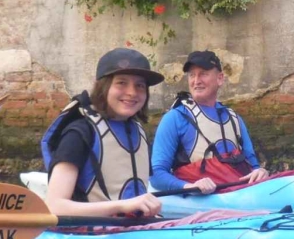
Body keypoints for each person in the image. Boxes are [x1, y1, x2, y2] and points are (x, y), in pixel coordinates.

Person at [39, 48, 165, 219]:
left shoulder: (138, 130)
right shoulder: (80, 133)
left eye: (139, 85)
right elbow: (55, 206)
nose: (132, 92)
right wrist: (122, 205)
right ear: (103, 87)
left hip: (134, 230)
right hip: (92, 235)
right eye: (121, 83)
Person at [151, 50, 268, 194]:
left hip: (237, 196)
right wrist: (188, 187)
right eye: (192, 75)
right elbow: (156, 175)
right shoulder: (175, 118)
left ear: (219, 79)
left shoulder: (235, 119)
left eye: (203, 74)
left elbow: (253, 166)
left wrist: (260, 172)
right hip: (199, 202)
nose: (196, 80)